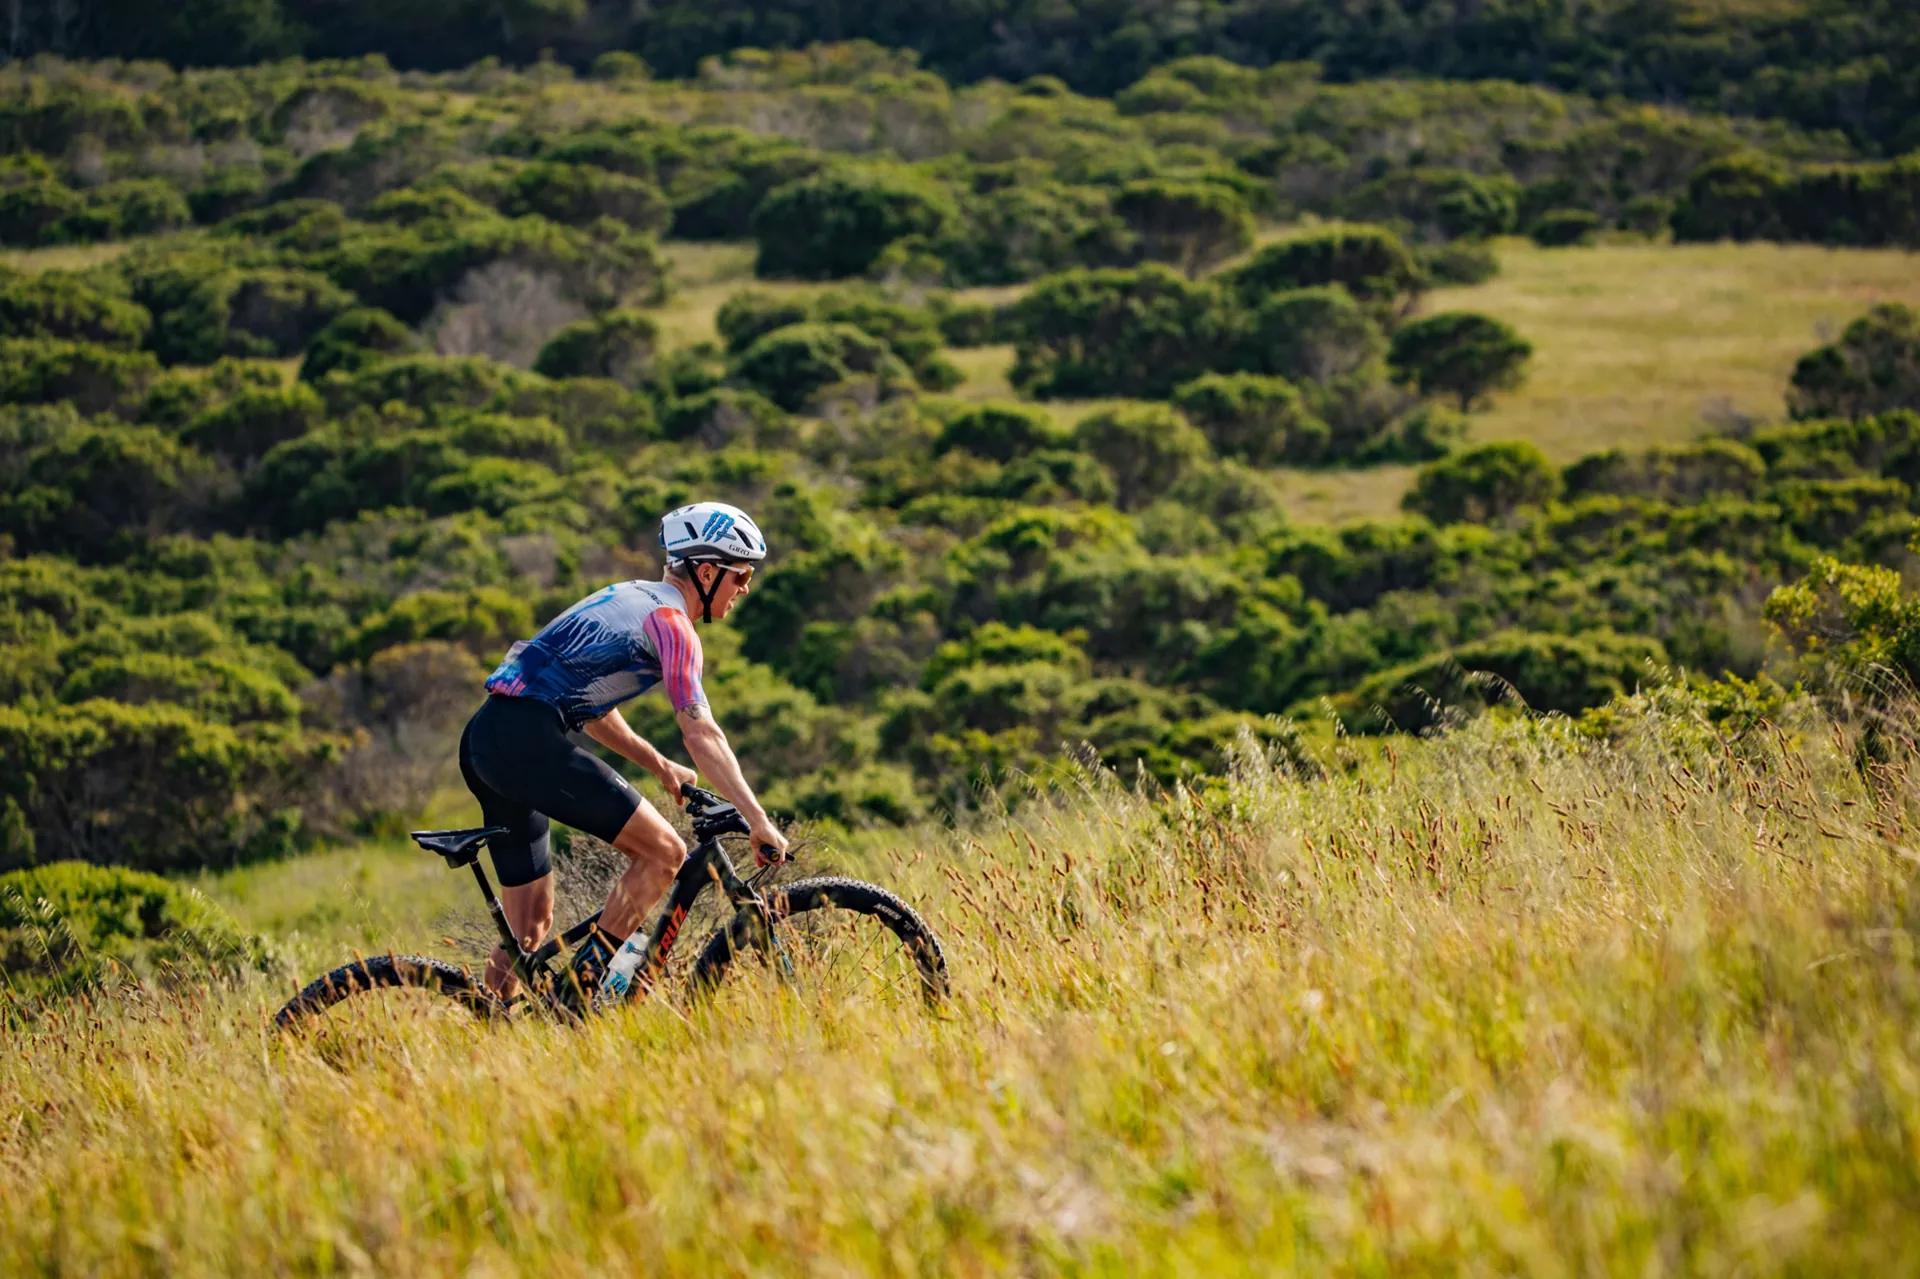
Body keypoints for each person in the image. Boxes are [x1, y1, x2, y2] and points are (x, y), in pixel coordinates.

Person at [457, 500, 788, 1006]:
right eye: (741, 575)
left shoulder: (628, 595)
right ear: (706, 573)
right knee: (664, 853)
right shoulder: (673, 625)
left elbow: (589, 707)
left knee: (530, 926)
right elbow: (702, 733)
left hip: (487, 739)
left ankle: (491, 1024)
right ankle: (579, 993)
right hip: (525, 742)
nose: (745, 587)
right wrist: (758, 819)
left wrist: (659, 765)